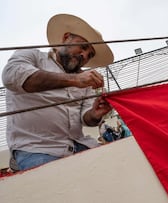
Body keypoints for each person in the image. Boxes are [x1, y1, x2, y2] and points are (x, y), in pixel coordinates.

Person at [2, 14, 114, 171]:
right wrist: (75, 81)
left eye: (89, 55)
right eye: (82, 46)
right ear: (66, 37)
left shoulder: (84, 80)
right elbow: (13, 76)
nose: (84, 55)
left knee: (114, 167)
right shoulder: (32, 56)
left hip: (79, 145)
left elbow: (86, 119)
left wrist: (95, 114)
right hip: (35, 149)